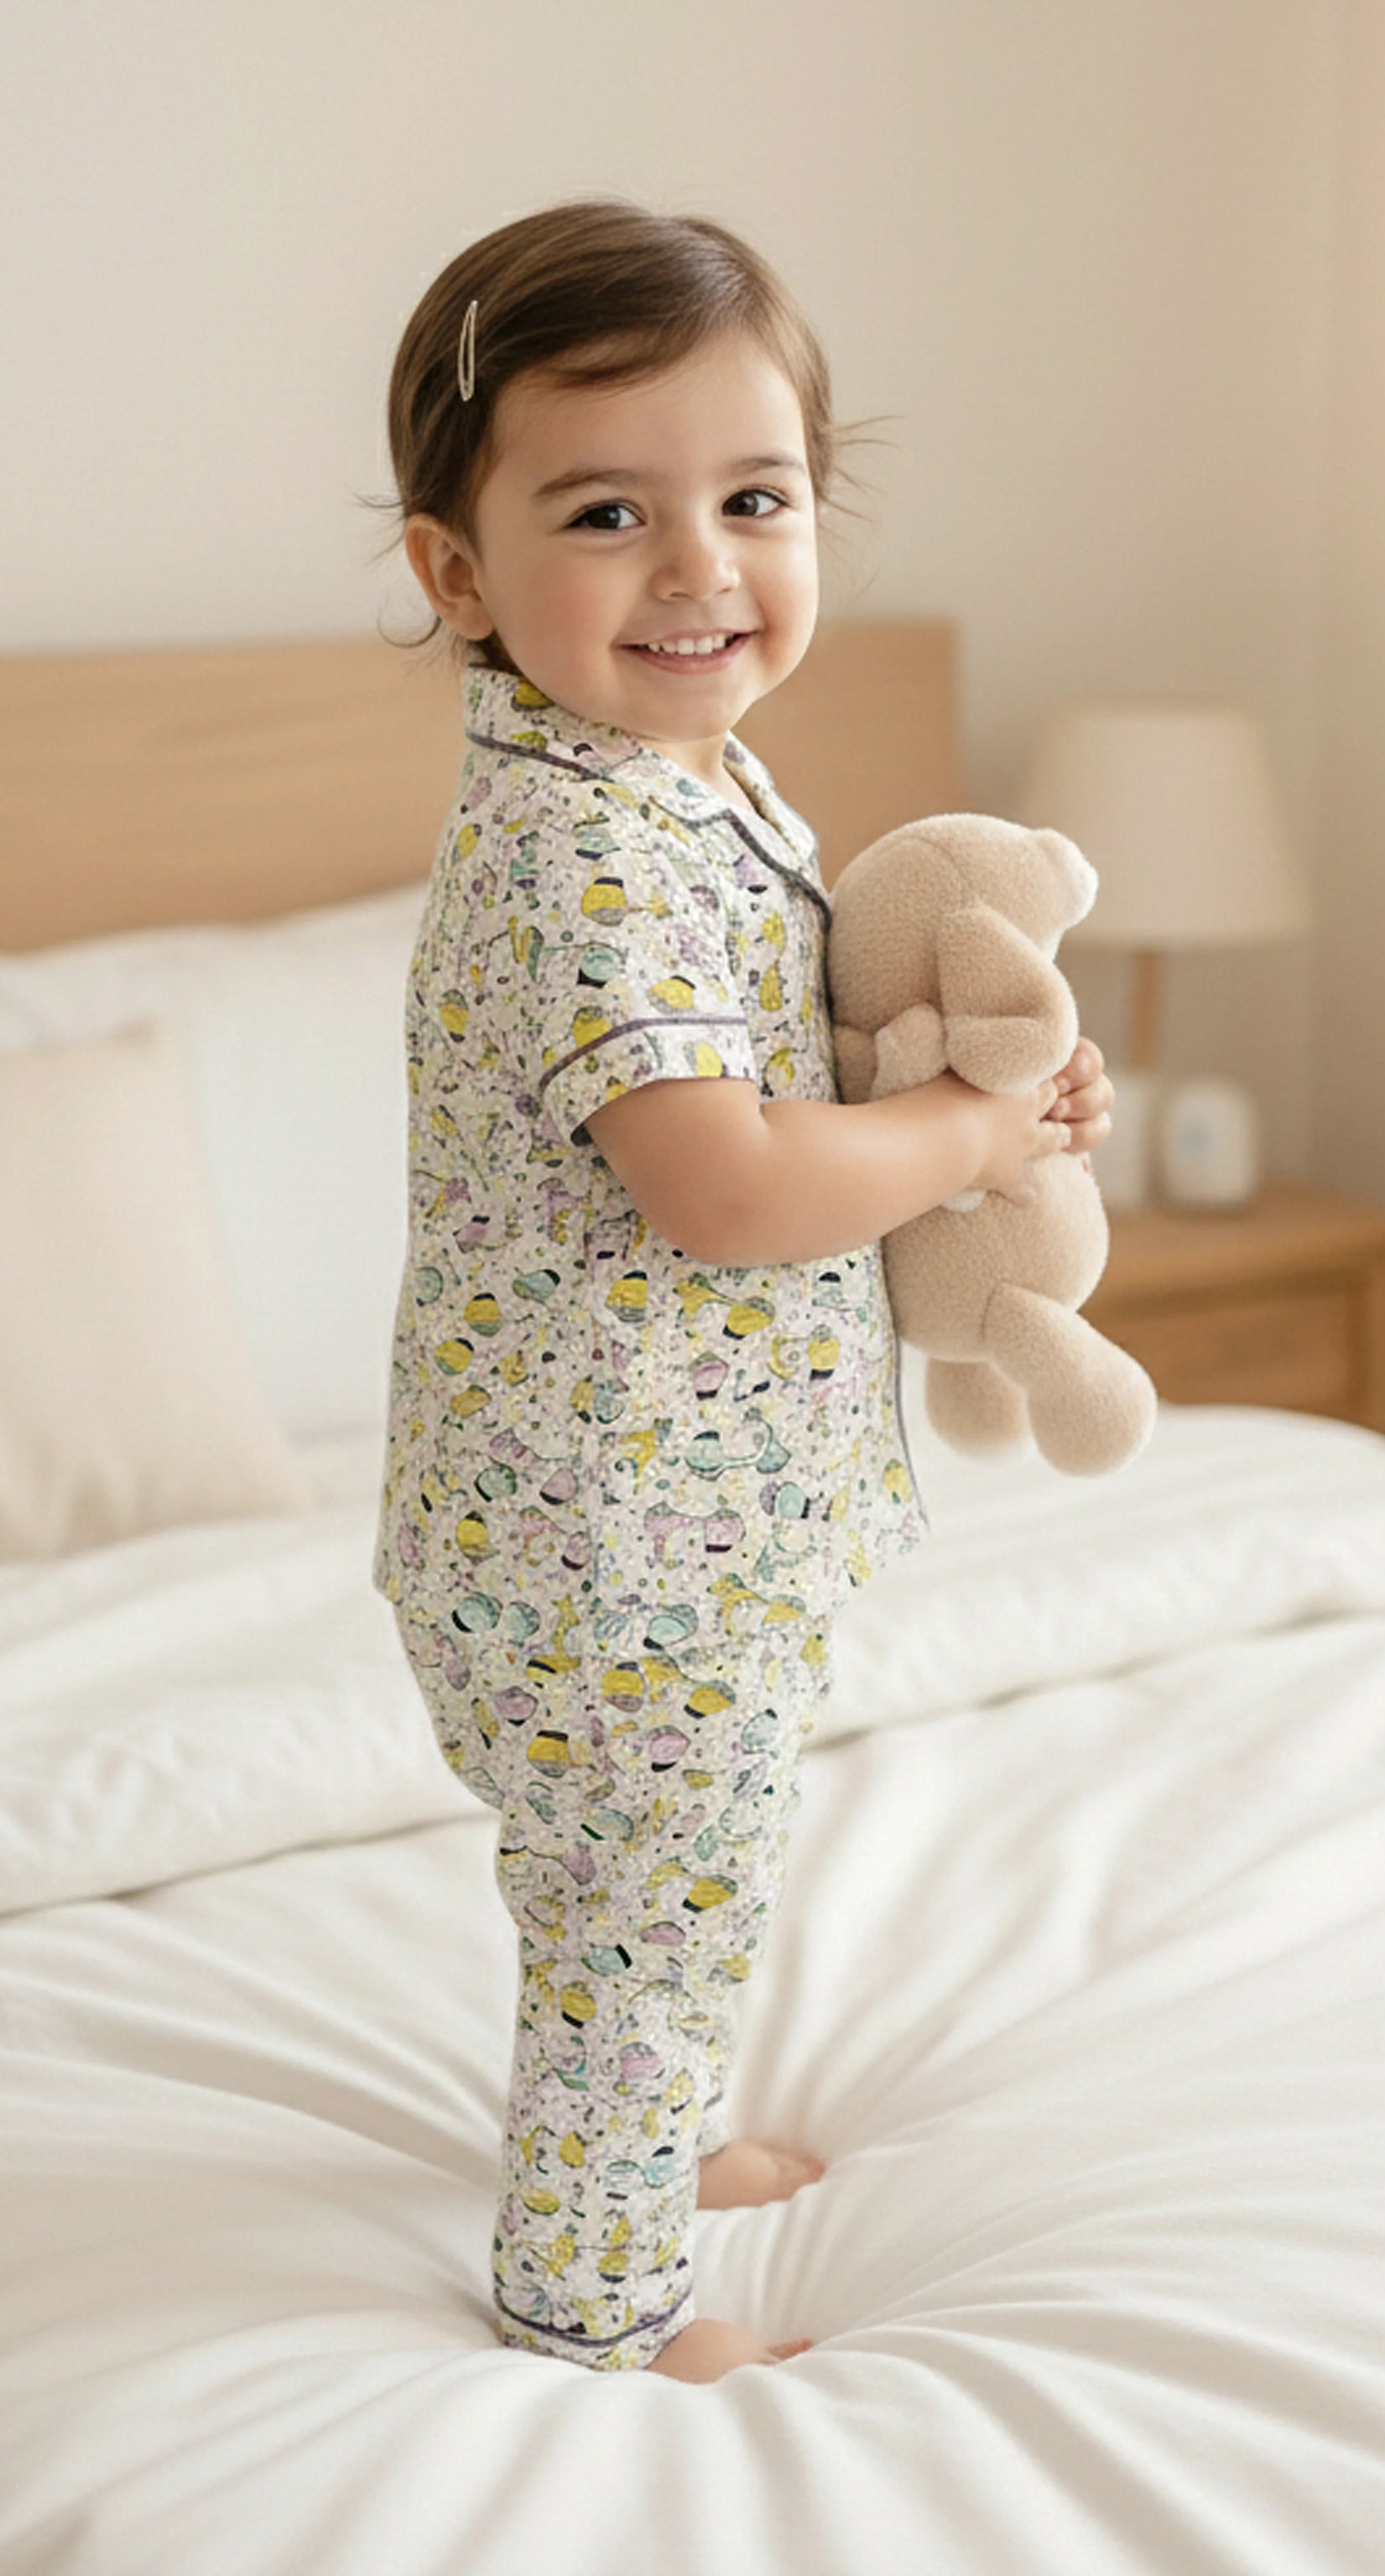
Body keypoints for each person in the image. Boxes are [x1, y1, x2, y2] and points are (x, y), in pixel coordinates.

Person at [370, 198, 1112, 2386]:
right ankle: (595, 2301)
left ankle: (655, 2133)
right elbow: (728, 1183)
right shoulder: (583, 850)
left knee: (666, 1870)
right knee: (649, 1889)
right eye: (607, 513)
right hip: (610, 1543)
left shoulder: (680, 783)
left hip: (681, 1517)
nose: (699, 569)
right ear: (457, 571)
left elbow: (787, 1074)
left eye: (756, 501)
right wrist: (966, 1141)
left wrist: (974, 1090)